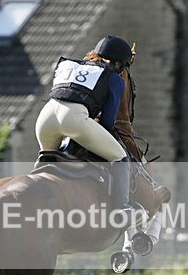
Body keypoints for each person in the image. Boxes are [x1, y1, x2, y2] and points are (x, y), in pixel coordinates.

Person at [35, 35, 134, 210]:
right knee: (120, 157)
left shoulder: (72, 66)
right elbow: (108, 121)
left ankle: (34, 194)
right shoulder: (114, 78)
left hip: (45, 118)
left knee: (46, 159)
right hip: (73, 119)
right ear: (120, 63)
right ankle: (122, 208)